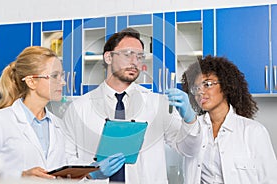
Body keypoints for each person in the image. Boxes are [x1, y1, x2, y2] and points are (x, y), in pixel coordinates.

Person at [63, 28, 202, 183]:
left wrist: (190, 120)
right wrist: (90, 173)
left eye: (140, 56)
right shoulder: (78, 108)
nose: (135, 61)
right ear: (108, 57)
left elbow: (189, 150)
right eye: (128, 54)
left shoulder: (158, 104)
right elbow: (65, 162)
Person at [0, 46, 125, 180]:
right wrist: (22, 175)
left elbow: (68, 170)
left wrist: (91, 173)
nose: (63, 82)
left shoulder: (58, 124)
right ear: (31, 81)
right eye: (55, 76)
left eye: (61, 76)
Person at [178, 55, 277, 183]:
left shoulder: (253, 132)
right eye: (196, 88)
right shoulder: (193, 128)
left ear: (225, 86)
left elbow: (270, 180)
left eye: (207, 84)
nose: (200, 92)